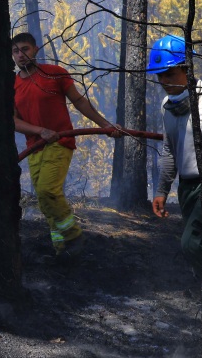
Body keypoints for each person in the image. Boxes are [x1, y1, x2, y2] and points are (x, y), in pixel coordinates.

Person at [12, 32, 121, 262]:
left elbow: (79, 101)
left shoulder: (55, 74)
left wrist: (105, 125)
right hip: (34, 148)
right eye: (15, 51)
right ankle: (62, 250)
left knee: (46, 190)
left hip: (60, 142)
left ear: (36, 50)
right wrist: (39, 131)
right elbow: (12, 120)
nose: (21, 55)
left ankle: (73, 237)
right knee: (44, 200)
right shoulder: (11, 86)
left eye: (25, 49)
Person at [149, 34, 202, 318]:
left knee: (192, 242)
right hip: (188, 187)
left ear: (186, 67)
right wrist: (162, 190)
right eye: (160, 75)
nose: (164, 81)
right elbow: (170, 151)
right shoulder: (166, 107)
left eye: (169, 73)